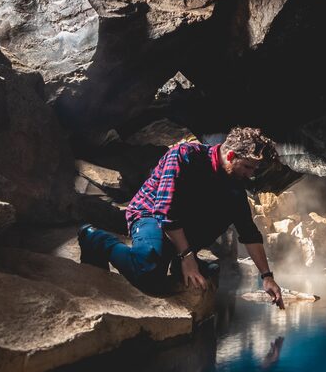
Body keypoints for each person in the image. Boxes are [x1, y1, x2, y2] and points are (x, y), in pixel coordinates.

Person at [78, 127, 285, 308]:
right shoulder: (184, 156)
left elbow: (248, 232)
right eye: (248, 167)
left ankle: (179, 262)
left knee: (229, 205)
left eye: (254, 169)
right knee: (148, 271)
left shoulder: (235, 183)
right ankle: (95, 238)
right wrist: (187, 257)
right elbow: (165, 211)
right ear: (230, 156)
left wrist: (267, 277)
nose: (250, 174)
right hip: (150, 214)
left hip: (183, 222)